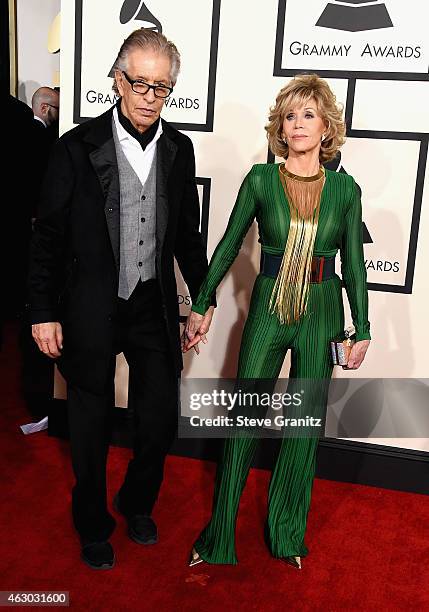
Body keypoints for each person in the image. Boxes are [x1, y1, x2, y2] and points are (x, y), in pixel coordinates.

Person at [27, 28, 215, 570]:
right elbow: (47, 236)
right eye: (139, 83)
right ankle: (92, 522)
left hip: (150, 303)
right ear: (116, 79)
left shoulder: (179, 149)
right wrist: (42, 311)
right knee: (89, 421)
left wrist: (201, 298)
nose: (149, 97)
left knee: (159, 417)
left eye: (162, 87)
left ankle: (136, 502)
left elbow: (185, 235)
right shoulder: (75, 148)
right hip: (90, 304)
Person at [184, 74, 371, 569]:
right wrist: (203, 299)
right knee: (245, 419)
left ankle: (287, 534)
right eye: (290, 115)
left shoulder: (347, 191)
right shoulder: (261, 181)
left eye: (309, 114)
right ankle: (218, 535)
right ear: (280, 128)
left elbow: (354, 264)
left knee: (302, 427)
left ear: (327, 127)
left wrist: (364, 328)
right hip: (268, 305)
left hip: (323, 310)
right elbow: (228, 244)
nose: (299, 124)